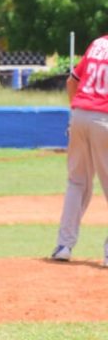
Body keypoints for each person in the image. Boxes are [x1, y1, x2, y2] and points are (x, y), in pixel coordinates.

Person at [51, 32, 108, 267]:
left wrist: (76, 114)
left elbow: (71, 81)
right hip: (105, 117)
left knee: (77, 182)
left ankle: (63, 246)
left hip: (79, 114)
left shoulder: (98, 44)